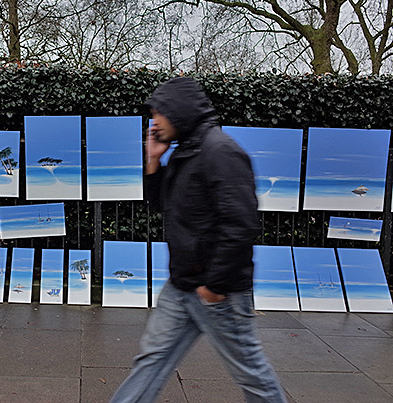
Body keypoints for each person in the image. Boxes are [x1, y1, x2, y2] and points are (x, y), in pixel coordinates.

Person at [111, 77, 287, 403]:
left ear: (178, 112)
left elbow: (241, 225)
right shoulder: (186, 152)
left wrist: (215, 287)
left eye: (158, 114)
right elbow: (162, 206)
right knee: (151, 360)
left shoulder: (221, 152)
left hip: (219, 293)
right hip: (182, 285)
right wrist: (153, 162)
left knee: (252, 375)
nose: (154, 123)